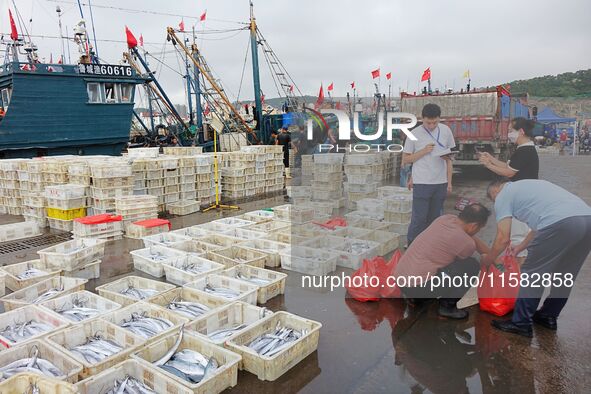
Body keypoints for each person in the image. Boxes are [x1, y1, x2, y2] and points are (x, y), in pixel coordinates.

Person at [483, 179, 591, 337]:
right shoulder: (528, 187)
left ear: (494, 192)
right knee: (565, 274)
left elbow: (502, 238)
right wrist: (520, 247)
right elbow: (538, 227)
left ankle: (520, 323)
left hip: (561, 223)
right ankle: (548, 316)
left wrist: (489, 258)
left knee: (533, 273)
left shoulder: (502, 195)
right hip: (587, 219)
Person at [395, 203, 491, 319]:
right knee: (471, 266)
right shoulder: (466, 243)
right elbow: (461, 257)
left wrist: (491, 255)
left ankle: (416, 299)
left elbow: (468, 235)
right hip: (417, 288)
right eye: (479, 228)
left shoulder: (445, 219)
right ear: (474, 226)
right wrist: (489, 259)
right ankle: (447, 307)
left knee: (437, 261)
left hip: (401, 282)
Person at [479, 117, 539, 260]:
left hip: (523, 197)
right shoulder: (523, 149)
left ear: (521, 131)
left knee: (518, 233)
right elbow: (508, 166)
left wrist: (488, 165)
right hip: (523, 194)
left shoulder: (525, 151)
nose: (510, 134)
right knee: (518, 231)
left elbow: (509, 173)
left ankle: (519, 264)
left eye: (511, 131)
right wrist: (491, 159)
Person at [402, 103, 455, 244]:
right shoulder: (414, 134)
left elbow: (450, 159)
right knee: (419, 218)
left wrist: (449, 182)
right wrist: (423, 151)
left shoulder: (446, 131)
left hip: (440, 182)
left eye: (435, 122)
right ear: (422, 119)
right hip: (422, 182)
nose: (431, 126)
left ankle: (430, 245)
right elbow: (406, 159)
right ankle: (412, 244)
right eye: (428, 122)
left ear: (439, 119)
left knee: (435, 218)